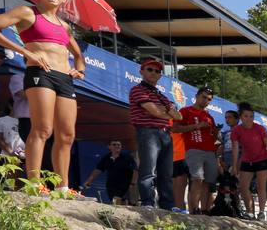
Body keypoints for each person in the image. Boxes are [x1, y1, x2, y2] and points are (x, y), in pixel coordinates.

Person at [0, 0, 86, 191]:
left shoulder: (64, 26)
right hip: (40, 73)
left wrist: (80, 69)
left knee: (67, 134)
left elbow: (78, 55)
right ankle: (34, 184)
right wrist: (26, 52)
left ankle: (63, 188)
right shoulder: (27, 12)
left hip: (65, 78)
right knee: (43, 129)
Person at [128, 58, 181, 209]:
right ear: (142, 71)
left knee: (166, 173)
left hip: (165, 134)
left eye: (157, 71)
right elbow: (156, 112)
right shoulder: (137, 90)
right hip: (148, 131)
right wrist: (166, 111)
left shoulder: (161, 95)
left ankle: (168, 205)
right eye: (150, 69)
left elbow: (179, 116)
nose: (154, 73)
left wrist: (163, 111)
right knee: (148, 170)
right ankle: (147, 202)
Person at [179, 87, 220, 214]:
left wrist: (216, 132)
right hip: (194, 149)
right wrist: (197, 126)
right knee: (197, 179)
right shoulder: (186, 111)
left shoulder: (209, 117)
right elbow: (175, 128)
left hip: (210, 151)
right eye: (203, 97)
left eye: (209, 99)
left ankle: (204, 209)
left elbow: (213, 138)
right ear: (196, 96)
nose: (206, 101)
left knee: (208, 181)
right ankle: (195, 209)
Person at [230, 103, 267, 220]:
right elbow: (235, 148)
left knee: (261, 187)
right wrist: (234, 166)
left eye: (251, 116)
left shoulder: (260, 128)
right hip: (246, 160)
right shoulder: (236, 130)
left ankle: (262, 212)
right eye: (246, 116)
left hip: (262, 159)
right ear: (240, 117)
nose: (249, 119)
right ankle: (250, 212)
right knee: (243, 187)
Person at [82, 139, 137, 205]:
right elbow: (98, 170)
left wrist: (133, 183)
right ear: (109, 147)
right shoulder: (106, 158)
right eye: (114, 144)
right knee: (116, 203)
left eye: (119, 145)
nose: (117, 146)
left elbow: (135, 171)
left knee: (120, 201)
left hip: (125, 185)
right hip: (111, 185)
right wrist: (88, 181)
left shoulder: (127, 157)